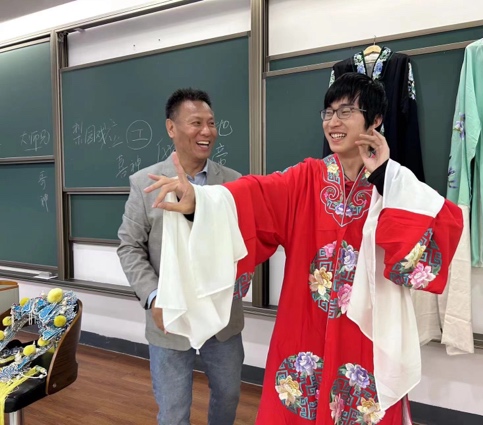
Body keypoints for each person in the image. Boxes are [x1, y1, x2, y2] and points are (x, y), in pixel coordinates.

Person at [145, 74, 464, 424]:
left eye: (346, 111)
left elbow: (437, 232)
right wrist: (199, 202)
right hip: (305, 324)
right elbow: (253, 196)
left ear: (375, 120)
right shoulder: (305, 178)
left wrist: (384, 177)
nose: (333, 122)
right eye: (328, 112)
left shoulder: (395, 182)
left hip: (365, 330)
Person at [117, 88, 245, 425]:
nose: (207, 131)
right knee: (173, 410)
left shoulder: (233, 183)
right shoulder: (145, 183)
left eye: (211, 123)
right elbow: (129, 246)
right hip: (169, 315)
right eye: (196, 123)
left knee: (229, 395)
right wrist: (154, 296)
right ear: (171, 128)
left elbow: (245, 241)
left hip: (221, 315)